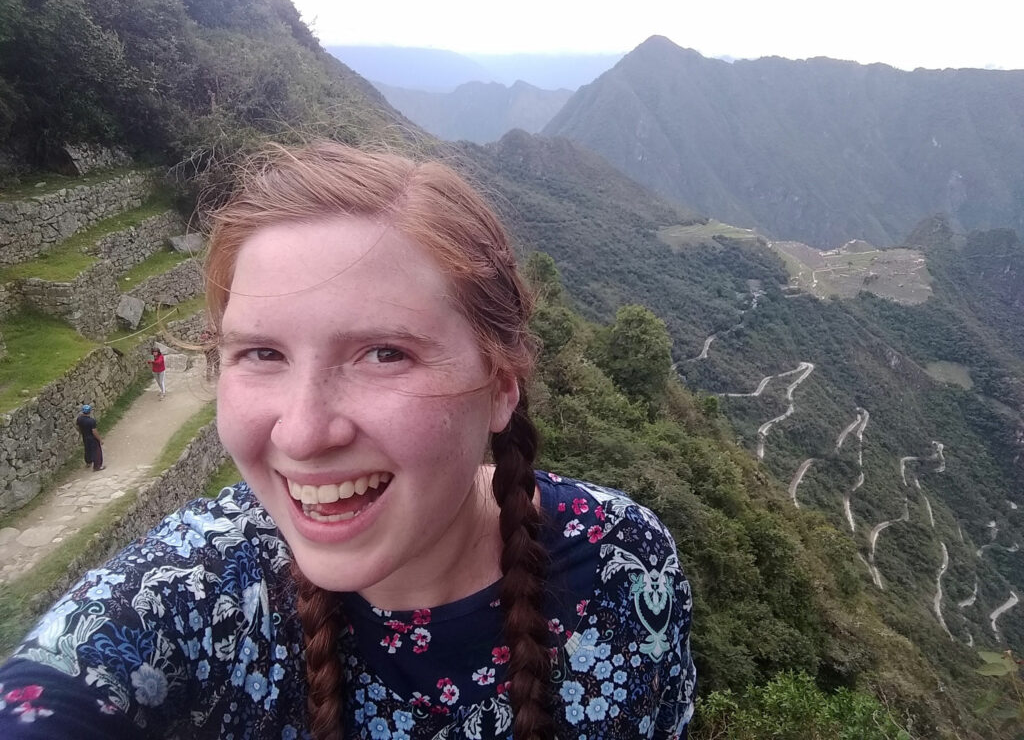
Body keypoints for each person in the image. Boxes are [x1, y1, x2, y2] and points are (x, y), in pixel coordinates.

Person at [0, 143, 695, 739]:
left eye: (384, 353)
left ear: (502, 384)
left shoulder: (625, 566)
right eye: (261, 354)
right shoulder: (190, 594)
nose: (302, 433)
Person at [74, 404, 104, 472]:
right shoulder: (91, 421)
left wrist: (81, 433)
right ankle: (97, 466)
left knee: (87, 449)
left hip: (85, 436)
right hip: (92, 438)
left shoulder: (79, 419)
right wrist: (100, 439)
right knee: (96, 451)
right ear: (89, 412)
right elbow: (94, 431)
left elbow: (77, 427)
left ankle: (88, 462)